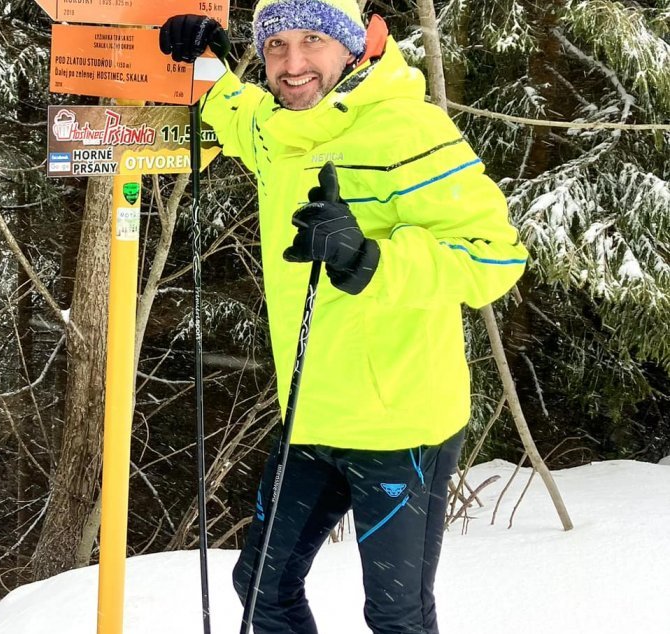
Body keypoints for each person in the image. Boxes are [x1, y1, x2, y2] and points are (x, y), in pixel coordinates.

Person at [160, 3, 528, 633]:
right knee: (262, 588)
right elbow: (233, 109)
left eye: (312, 41)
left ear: (353, 46)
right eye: (275, 45)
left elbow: (497, 257)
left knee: (396, 616)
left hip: (400, 430)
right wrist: (204, 57)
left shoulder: (411, 132)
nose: (292, 63)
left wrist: (370, 258)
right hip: (311, 415)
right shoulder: (280, 128)